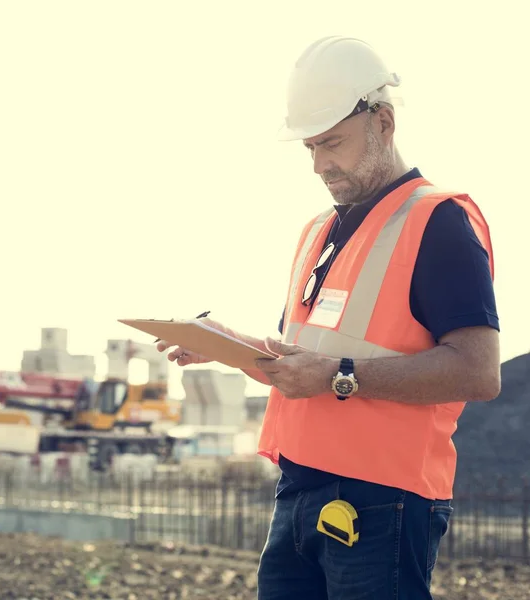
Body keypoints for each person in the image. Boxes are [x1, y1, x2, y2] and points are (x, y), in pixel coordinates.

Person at [156, 35, 500, 600]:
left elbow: (479, 373)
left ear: (383, 122)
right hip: (298, 490)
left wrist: (341, 375)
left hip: (382, 504)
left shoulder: (438, 221)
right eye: (310, 147)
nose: (319, 164)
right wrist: (229, 344)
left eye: (333, 143)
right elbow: (305, 360)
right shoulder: (319, 230)